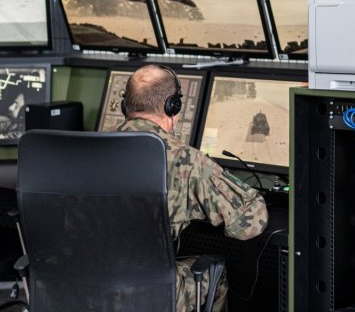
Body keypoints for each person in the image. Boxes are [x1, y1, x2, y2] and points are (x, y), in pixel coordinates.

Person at [115, 65, 268, 311]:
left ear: (126, 106)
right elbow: (250, 224)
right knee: (214, 275)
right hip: (145, 294)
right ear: (172, 107)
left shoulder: (85, 151)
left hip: (73, 287)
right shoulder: (184, 159)